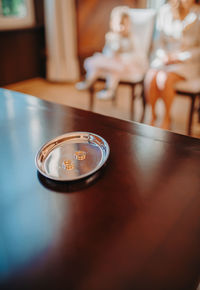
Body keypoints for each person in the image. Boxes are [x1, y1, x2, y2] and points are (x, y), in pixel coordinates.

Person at [144, 0, 200, 129]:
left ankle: (167, 118)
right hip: (165, 58)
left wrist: (180, 57)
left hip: (187, 62)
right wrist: (163, 55)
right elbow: (157, 41)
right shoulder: (165, 11)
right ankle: (152, 117)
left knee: (164, 79)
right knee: (150, 77)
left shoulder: (198, 13)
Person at [76, 6, 148, 100]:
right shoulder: (111, 37)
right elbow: (107, 51)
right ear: (112, 24)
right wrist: (112, 53)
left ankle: (110, 89)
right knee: (102, 62)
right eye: (119, 24)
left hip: (127, 65)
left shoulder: (132, 39)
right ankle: (88, 81)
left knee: (113, 69)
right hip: (113, 62)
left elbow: (139, 55)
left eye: (125, 24)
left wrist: (123, 57)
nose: (122, 28)